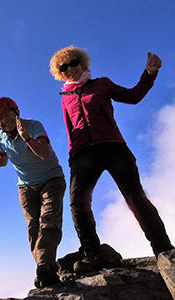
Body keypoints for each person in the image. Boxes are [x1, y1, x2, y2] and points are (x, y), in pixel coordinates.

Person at [49, 46, 173, 275]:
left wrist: (149, 74)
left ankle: (164, 249)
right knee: (78, 203)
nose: (69, 69)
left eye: (73, 63)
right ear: (60, 73)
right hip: (82, 155)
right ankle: (92, 255)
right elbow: (70, 131)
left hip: (113, 147)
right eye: (63, 68)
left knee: (135, 197)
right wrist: (72, 159)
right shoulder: (65, 98)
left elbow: (132, 97)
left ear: (83, 64)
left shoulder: (102, 84)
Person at [0, 97, 66, 288]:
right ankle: (45, 269)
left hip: (51, 178)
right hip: (25, 186)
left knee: (49, 220)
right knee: (33, 227)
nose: (4, 122)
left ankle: (45, 264)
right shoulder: (2, 138)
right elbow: (1, 161)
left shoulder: (33, 126)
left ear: (17, 113)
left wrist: (26, 136)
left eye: (8, 115)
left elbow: (44, 153)